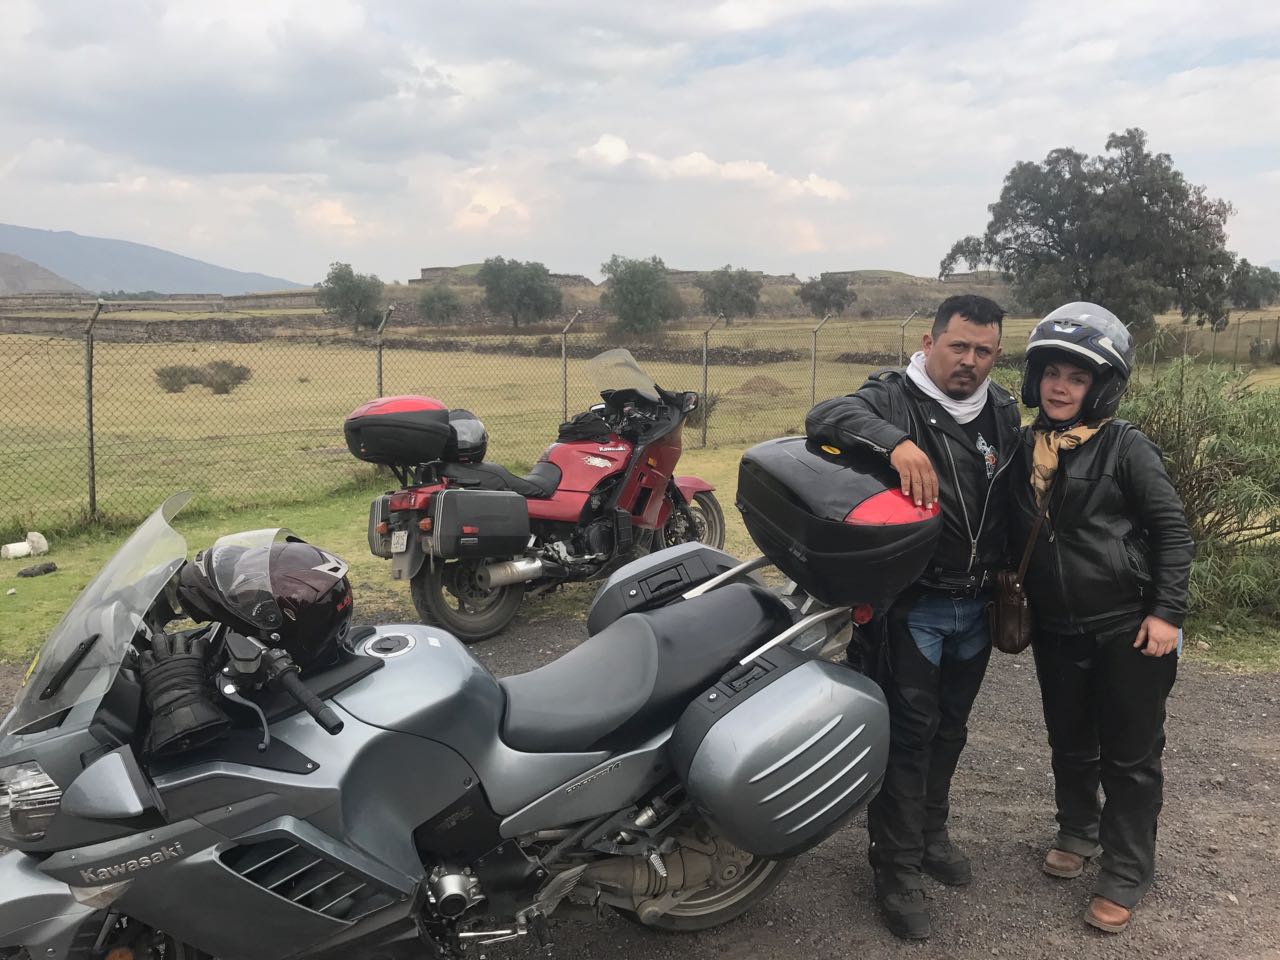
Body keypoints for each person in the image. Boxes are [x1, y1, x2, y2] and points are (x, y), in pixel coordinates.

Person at [806, 293, 1018, 940]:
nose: (970, 362)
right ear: (930, 342)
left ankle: (930, 834)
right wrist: (895, 442)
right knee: (909, 737)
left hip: (977, 604)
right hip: (914, 604)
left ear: (997, 354)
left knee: (950, 730)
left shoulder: (1003, 410)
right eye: (959, 346)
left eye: (984, 351)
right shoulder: (895, 396)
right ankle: (894, 872)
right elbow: (825, 415)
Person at [1012, 302, 1194, 934]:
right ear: (1036, 377)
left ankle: (1124, 870)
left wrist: (1167, 611)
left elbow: (1173, 531)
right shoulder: (1022, 446)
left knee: (1131, 755)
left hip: (1128, 626)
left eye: (1078, 377)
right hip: (1057, 628)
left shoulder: (1125, 446)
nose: (1061, 387)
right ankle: (1078, 829)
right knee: (1069, 742)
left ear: (1102, 386)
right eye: (1053, 373)